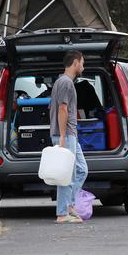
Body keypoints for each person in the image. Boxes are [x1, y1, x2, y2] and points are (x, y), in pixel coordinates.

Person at [49, 50, 88, 224]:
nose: (83, 66)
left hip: (71, 134)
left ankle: (69, 205)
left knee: (81, 170)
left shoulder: (63, 82)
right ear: (75, 63)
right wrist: (63, 136)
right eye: (82, 62)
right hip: (66, 135)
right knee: (67, 174)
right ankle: (62, 213)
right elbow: (63, 109)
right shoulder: (65, 83)